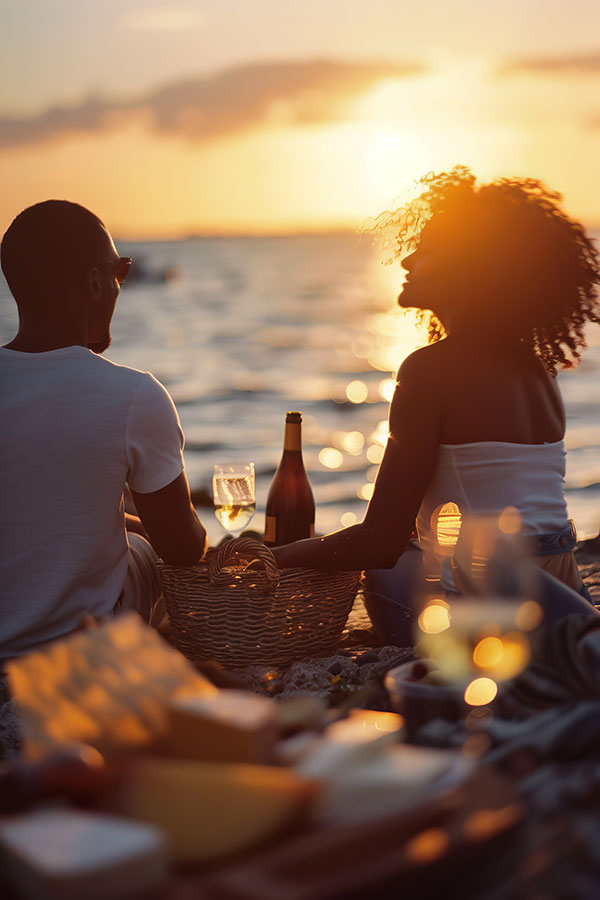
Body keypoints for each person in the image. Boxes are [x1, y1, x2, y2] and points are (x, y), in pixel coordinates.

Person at [272, 168, 600, 641]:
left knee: (379, 570)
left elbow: (379, 542)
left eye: (428, 249)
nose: (408, 260)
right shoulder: (536, 369)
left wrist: (283, 555)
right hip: (562, 590)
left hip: (490, 607)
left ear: (469, 265)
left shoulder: (429, 370)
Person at [0, 200, 207, 660]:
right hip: (78, 653)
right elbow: (181, 549)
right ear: (95, 282)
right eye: (120, 271)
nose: (119, 285)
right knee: (147, 552)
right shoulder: (133, 395)